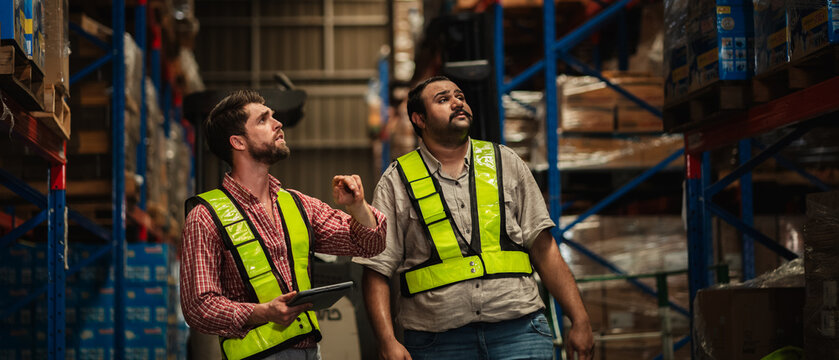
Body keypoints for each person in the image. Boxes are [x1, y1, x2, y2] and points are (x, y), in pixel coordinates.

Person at [353, 76, 594, 360]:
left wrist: (580, 319)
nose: (458, 103)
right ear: (419, 119)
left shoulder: (505, 162)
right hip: (437, 342)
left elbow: (544, 248)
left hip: (519, 332)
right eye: (443, 100)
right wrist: (386, 341)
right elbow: (376, 269)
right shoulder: (397, 181)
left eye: (460, 97)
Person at [180, 89, 387, 360]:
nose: (278, 124)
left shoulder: (297, 204)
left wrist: (357, 206)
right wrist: (262, 312)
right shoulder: (206, 216)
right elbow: (198, 307)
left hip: (310, 352)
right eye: (263, 120)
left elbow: (370, 244)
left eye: (273, 117)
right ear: (238, 142)